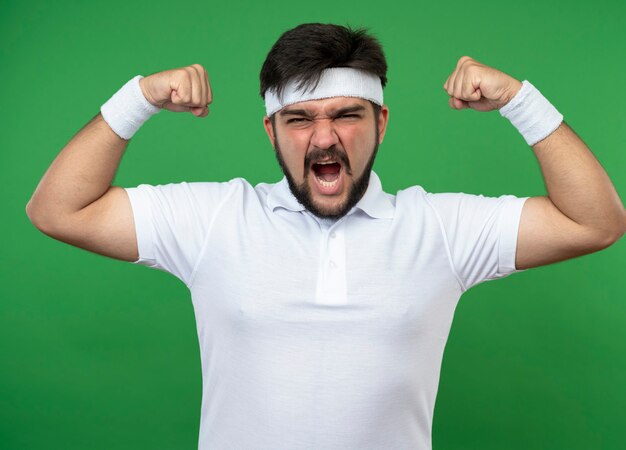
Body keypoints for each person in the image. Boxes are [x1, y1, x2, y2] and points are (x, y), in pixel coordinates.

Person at [26, 23, 624, 450]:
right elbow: (58, 210)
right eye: (301, 118)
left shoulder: (440, 228)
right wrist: (139, 100)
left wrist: (522, 102)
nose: (323, 139)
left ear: (381, 122)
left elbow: (593, 222)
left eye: (346, 114)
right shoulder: (214, 219)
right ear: (271, 131)